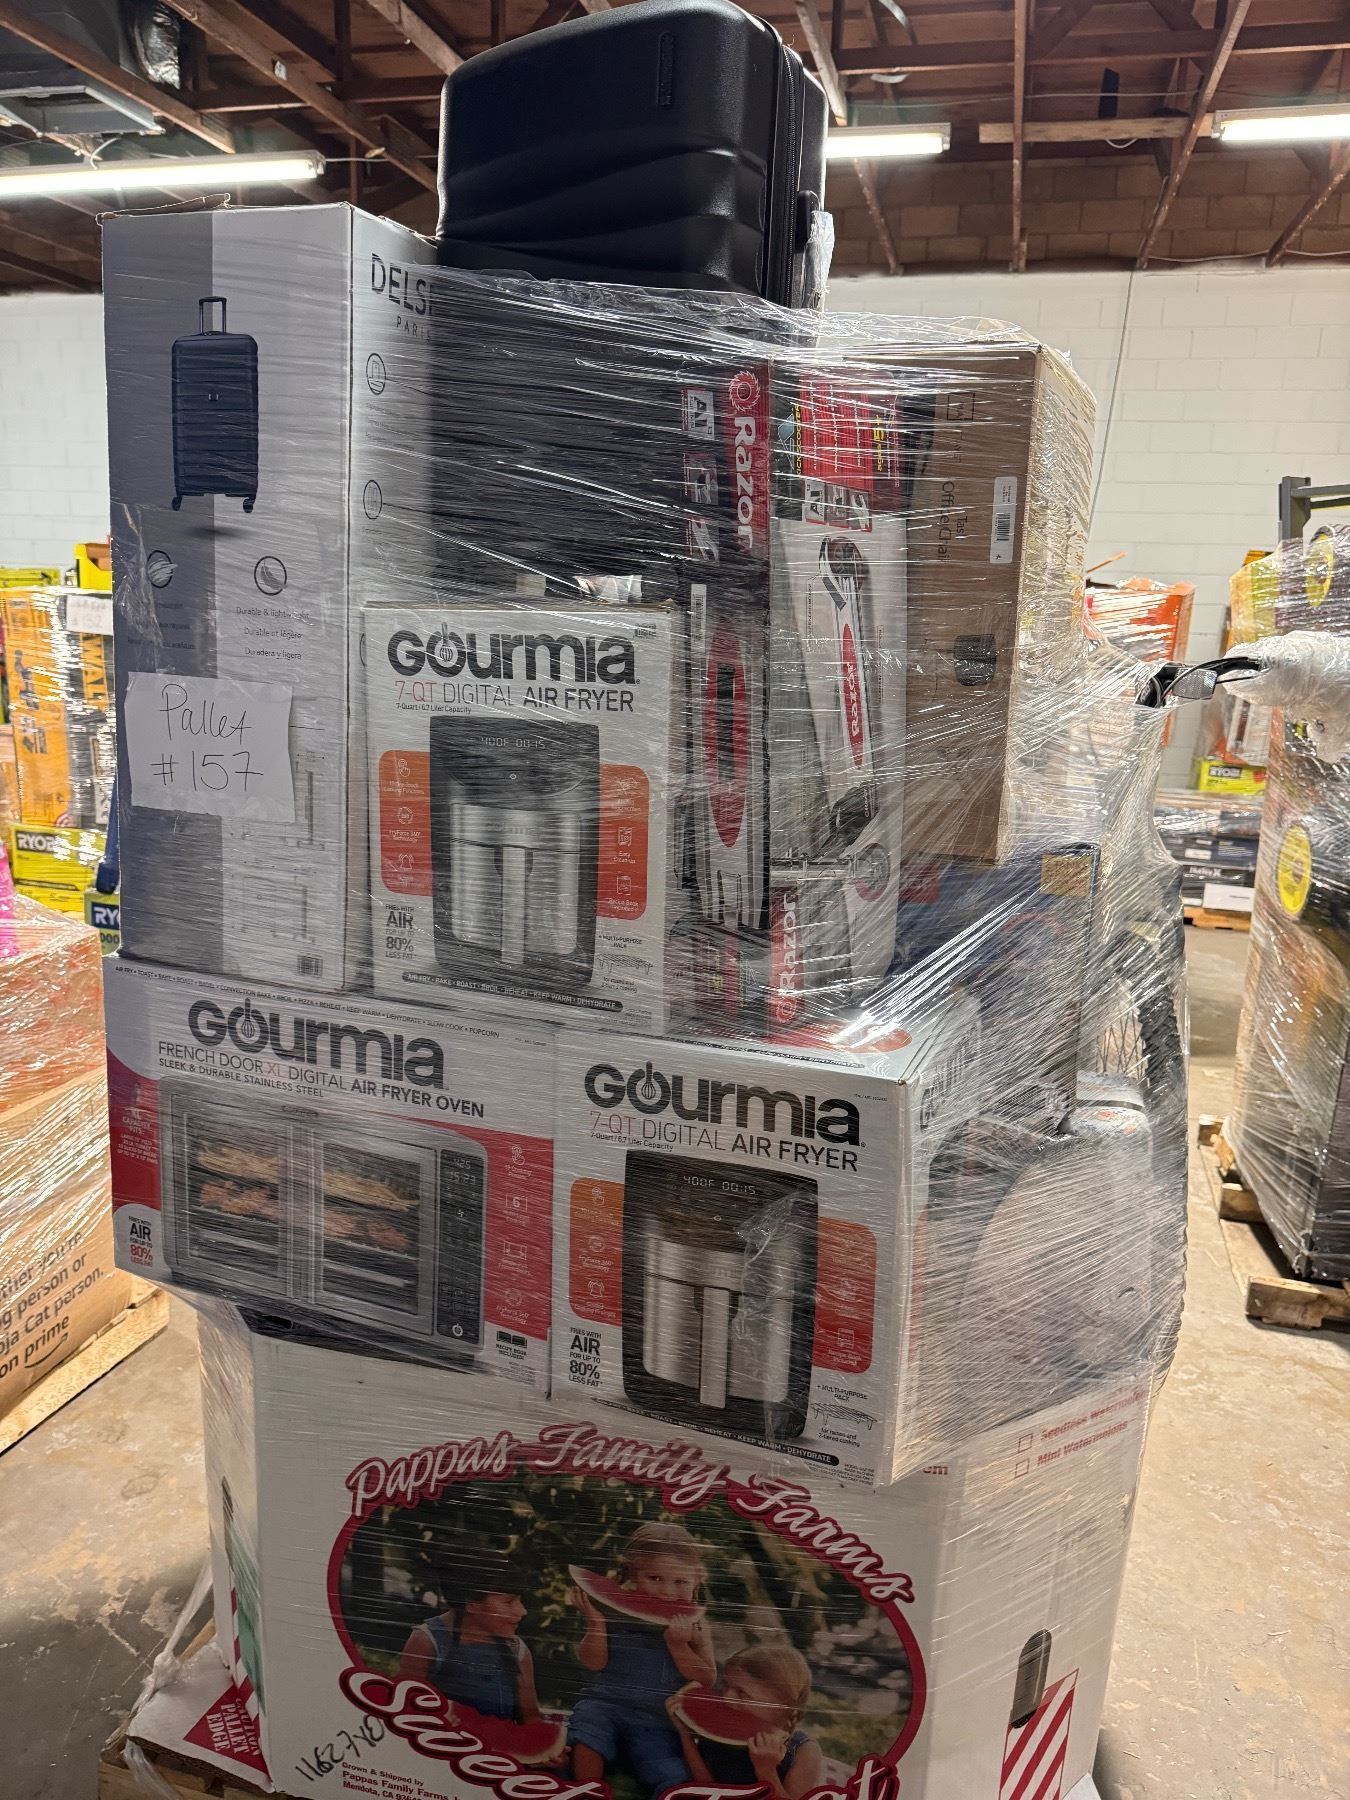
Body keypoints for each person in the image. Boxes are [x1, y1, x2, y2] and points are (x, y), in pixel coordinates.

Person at [569, 1520, 716, 1795]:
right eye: (655, 1579)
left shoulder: (696, 1625)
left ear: (697, 1580)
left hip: (657, 1717)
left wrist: (679, 1647)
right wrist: (595, 1623)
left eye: (680, 1581)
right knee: (589, 1728)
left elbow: (706, 1678)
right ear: (633, 1574)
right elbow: (593, 1662)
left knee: (670, 1772)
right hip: (606, 1705)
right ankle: (586, 1791)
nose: (667, 1592)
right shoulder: (611, 1611)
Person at [398, 1548, 540, 1723]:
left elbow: (531, 1718)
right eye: (509, 1602)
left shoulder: (517, 1650)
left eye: (519, 1600)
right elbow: (404, 1708)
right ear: (472, 1604)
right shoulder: (426, 1641)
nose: (522, 1611)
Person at [670, 1645, 824, 1800]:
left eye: (742, 1693)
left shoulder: (805, 1751)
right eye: (726, 1685)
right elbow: (705, 1787)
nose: (727, 1698)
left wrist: (766, 1770)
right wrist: (685, 1733)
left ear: (780, 1706)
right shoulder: (726, 1726)